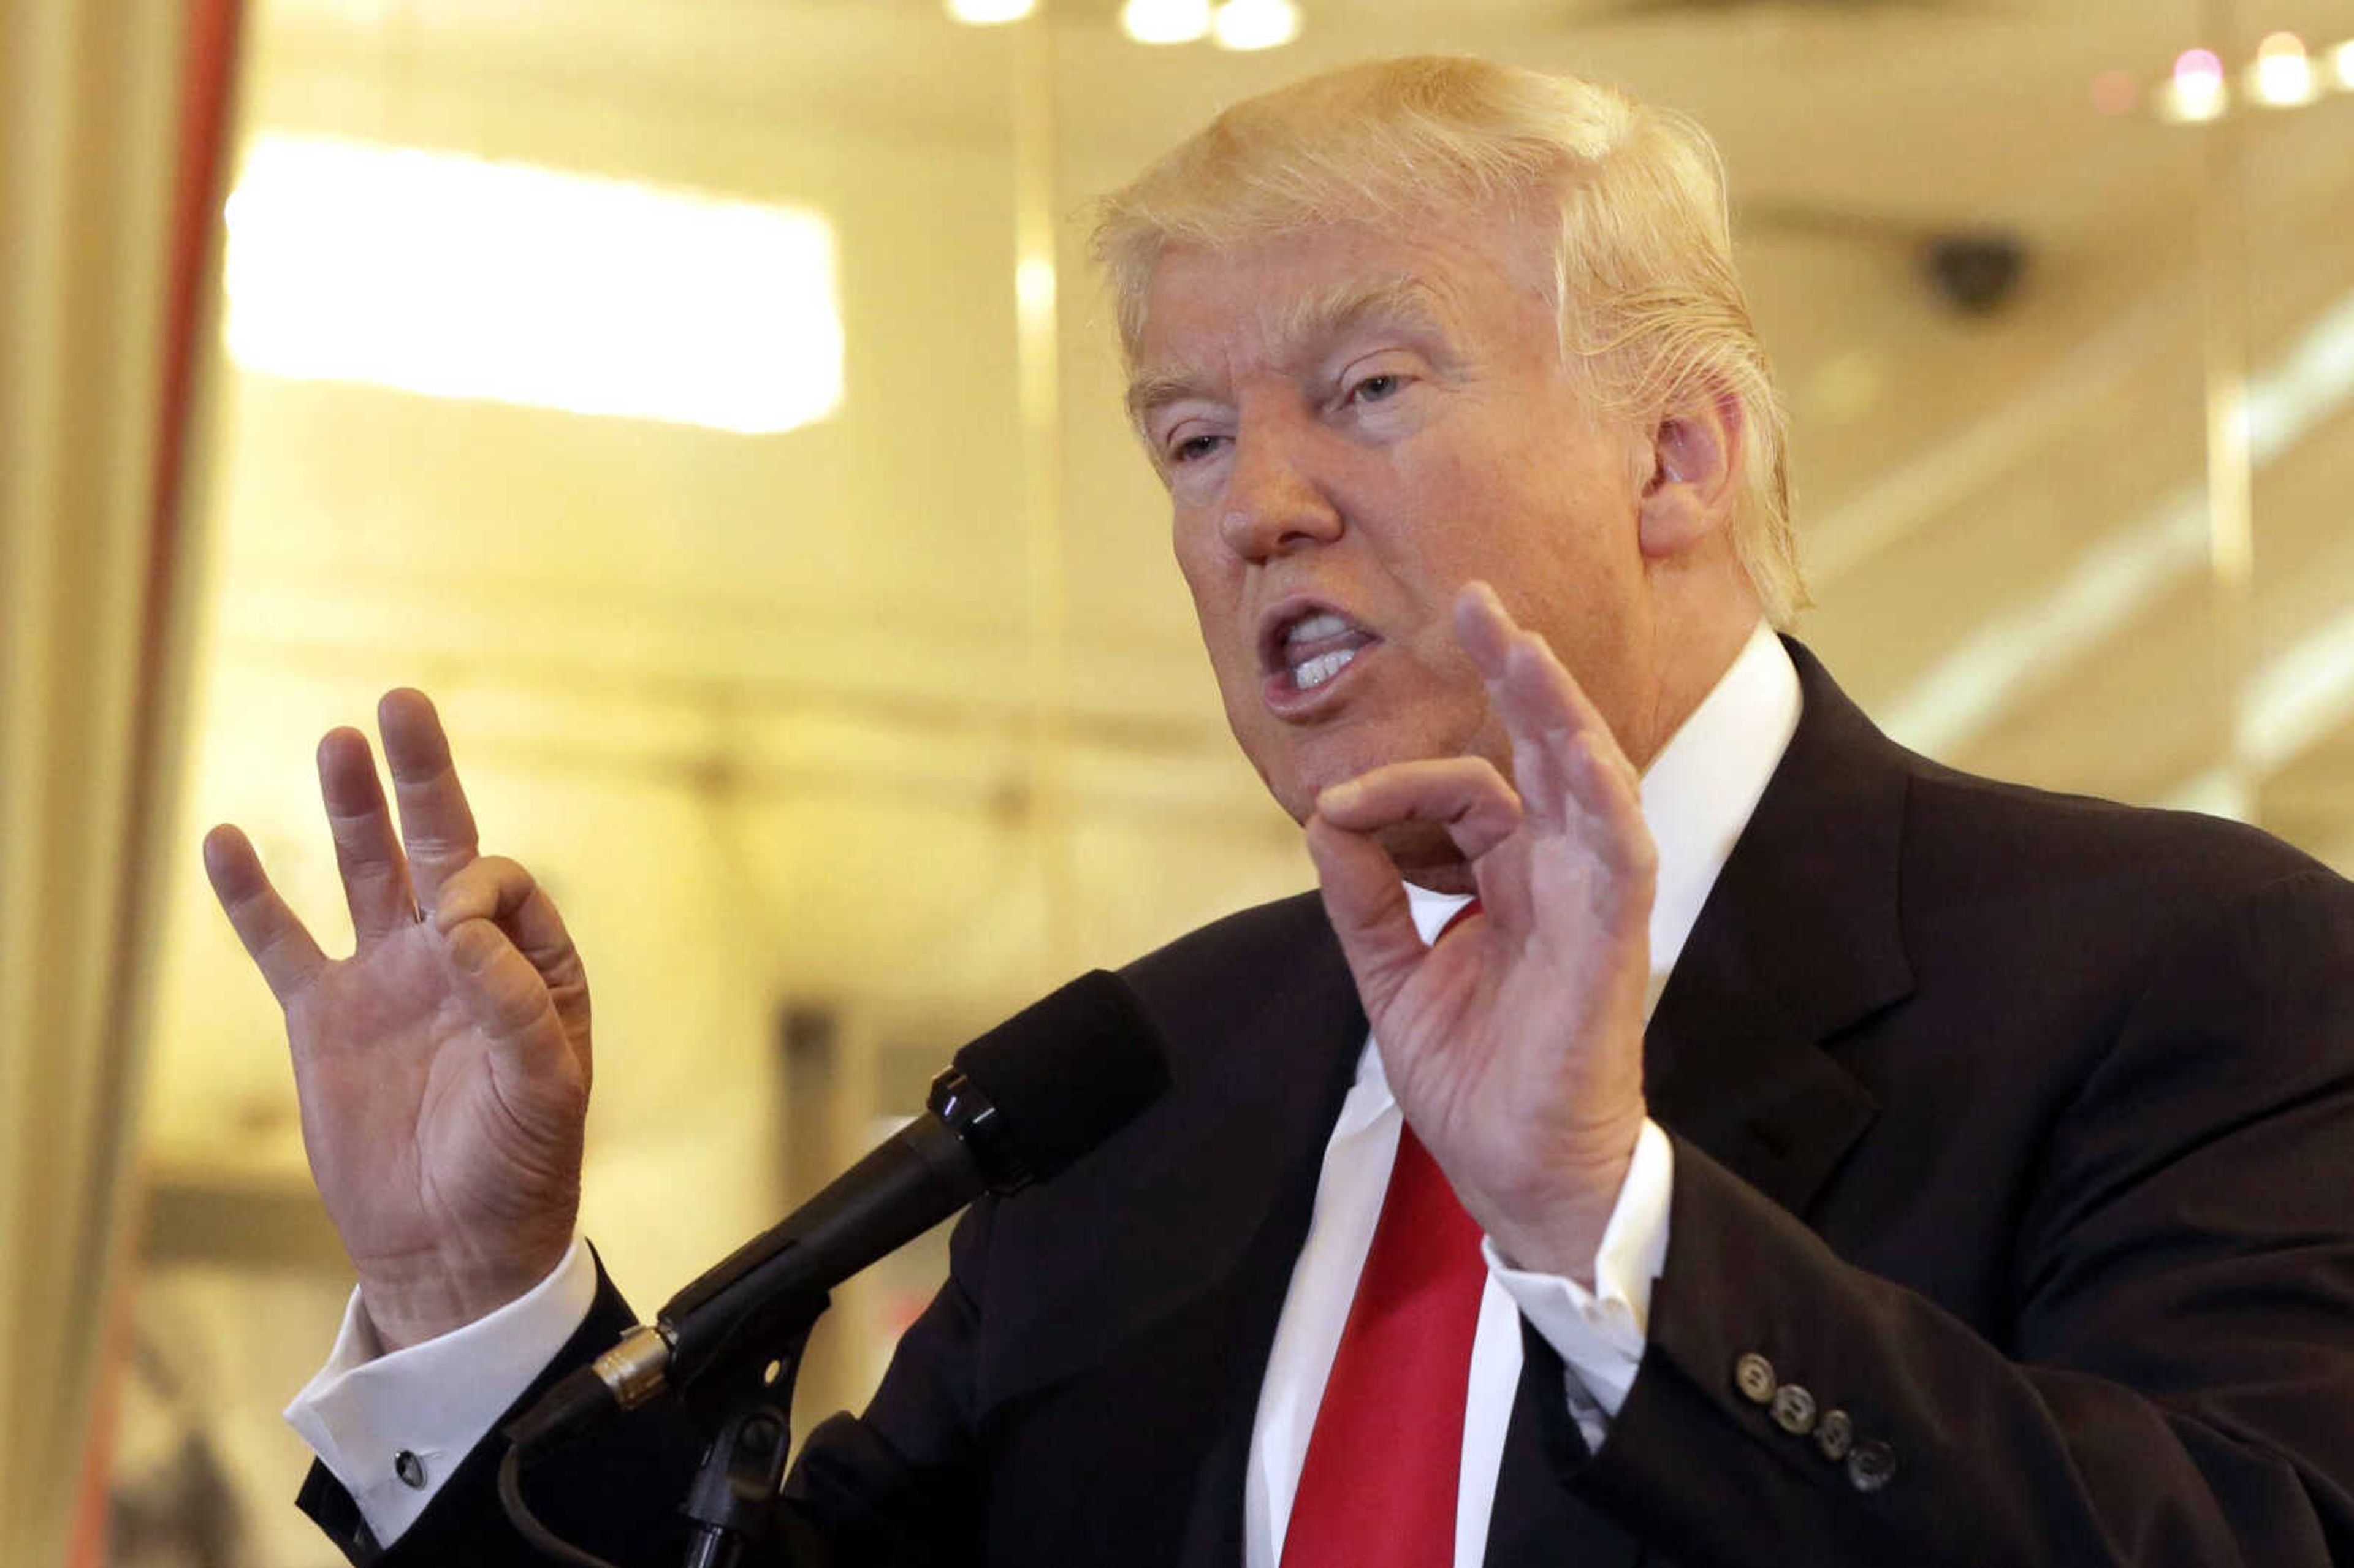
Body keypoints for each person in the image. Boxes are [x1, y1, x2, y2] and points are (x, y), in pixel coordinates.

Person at [204, 56, 2354, 1568]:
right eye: (1190, 439)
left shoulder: (2181, 972)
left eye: (1367, 391)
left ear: (1679, 459)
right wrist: (473, 1301)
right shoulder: (1139, 1080)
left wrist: (1614, 1229)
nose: (1258, 511)